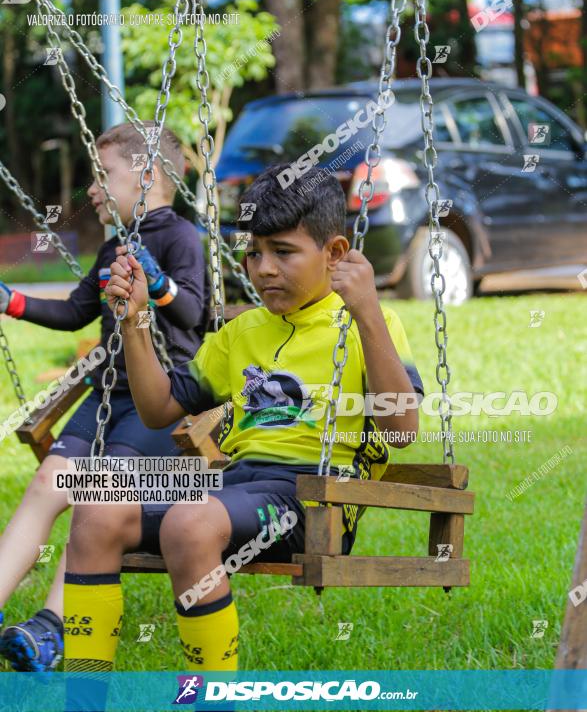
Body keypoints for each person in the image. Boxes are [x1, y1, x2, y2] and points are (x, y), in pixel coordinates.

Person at [62, 163, 423, 673]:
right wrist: (137, 323)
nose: (264, 269)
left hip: (314, 499)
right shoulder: (242, 331)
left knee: (191, 522)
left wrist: (365, 310)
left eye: (283, 252)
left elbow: (402, 431)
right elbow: (158, 408)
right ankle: (82, 699)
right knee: (96, 513)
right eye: (254, 253)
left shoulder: (371, 324)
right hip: (234, 488)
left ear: (336, 254)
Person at [0, 122, 210, 673]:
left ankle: (50, 627)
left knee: (98, 490)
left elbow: (196, 315)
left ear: (145, 175)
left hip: (159, 403)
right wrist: (9, 301)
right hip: (106, 399)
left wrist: (158, 285)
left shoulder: (181, 237)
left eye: (103, 175)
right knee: (48, 482)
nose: (91, 188)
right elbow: (75, 311)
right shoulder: (115, 244)